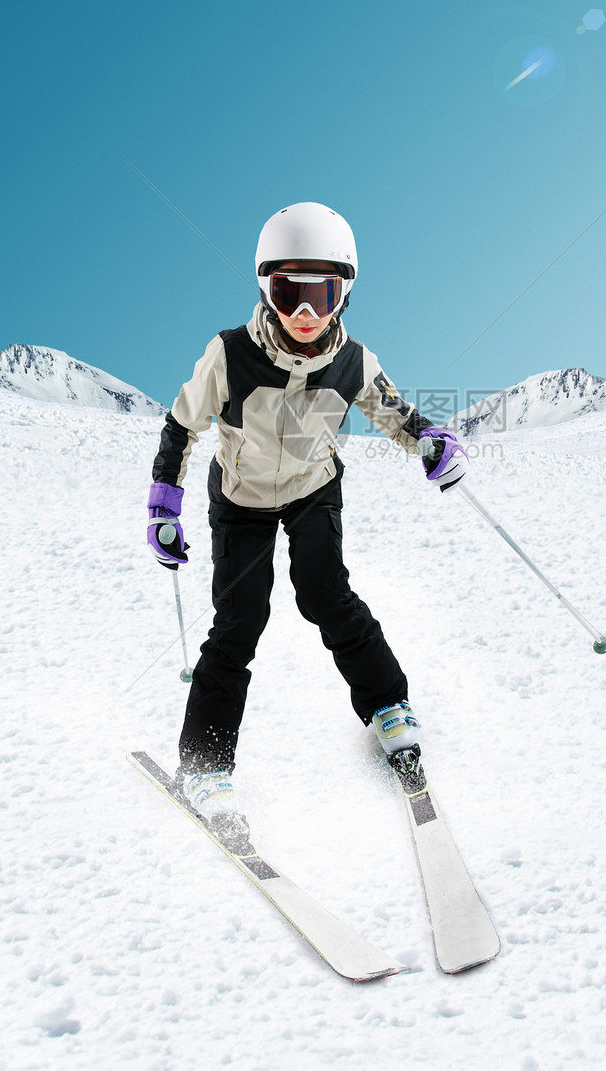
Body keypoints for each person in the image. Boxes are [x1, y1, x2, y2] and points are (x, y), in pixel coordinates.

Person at [146, 202, 469, 831]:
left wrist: (430, 441)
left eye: (320, 294)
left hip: (313, 487)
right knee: (241, 621)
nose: (304, 314)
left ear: (344, 292)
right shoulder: (231, 354)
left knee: (327, 596)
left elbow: (394, 412)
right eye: (288, 292)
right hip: (240, 498)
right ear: (265, 289)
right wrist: (165, 501)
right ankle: (203, 764)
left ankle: (388, 708)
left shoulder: (353, 362)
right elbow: (182, 425)